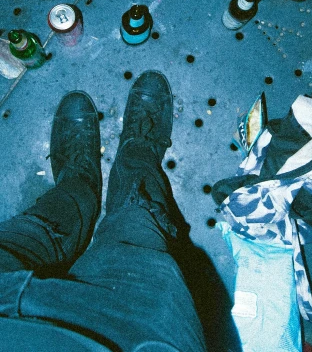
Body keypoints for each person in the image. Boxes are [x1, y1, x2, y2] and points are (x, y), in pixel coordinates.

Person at [0, 72, 207, 352]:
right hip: (135, 332)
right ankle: (138, 152)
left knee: (30, 233)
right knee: (138, 223)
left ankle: (78, 184)